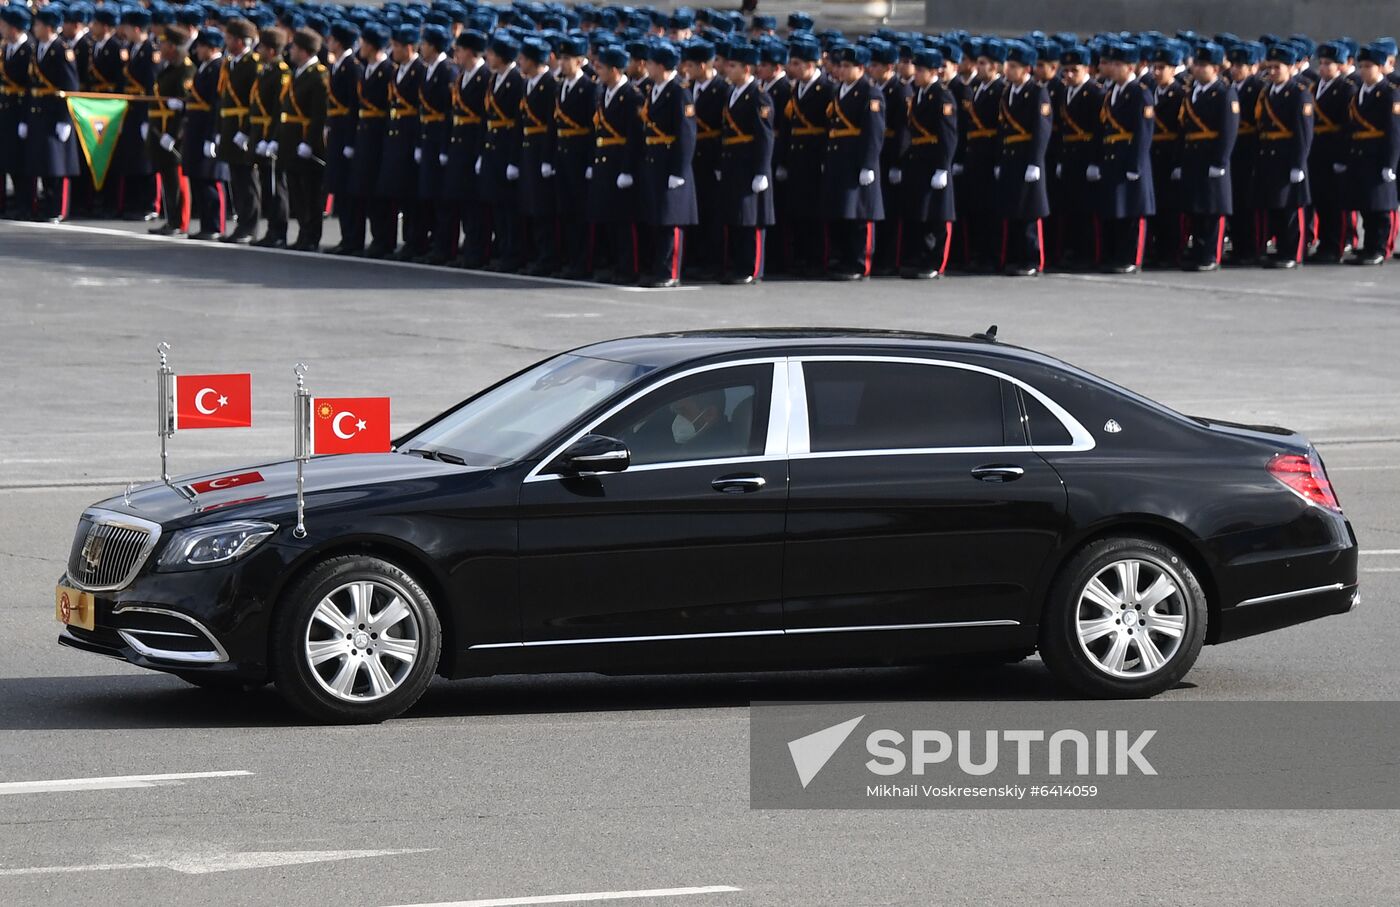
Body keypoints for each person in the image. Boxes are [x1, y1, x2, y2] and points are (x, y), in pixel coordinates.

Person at [1092, 41, 1155, 274]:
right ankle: (1116, 255)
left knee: (1133, 212)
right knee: (1116, 210)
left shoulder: (1140, 93)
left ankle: (1132, 258)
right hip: (1113, 158)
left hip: (1129, 158)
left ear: (1130, 67)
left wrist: (1136, 164)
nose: (1113, 68)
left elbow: (1143, 132)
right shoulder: (1112, 92)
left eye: (1119, 64)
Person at [822, 43, 884, 280]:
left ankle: (860, 263)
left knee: (860, 215)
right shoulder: (839, 90)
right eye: (841, 66)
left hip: (856, 160)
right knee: (842, 212)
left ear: (861, 68)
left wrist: (868, 164)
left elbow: (873, 132)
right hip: (839, 159)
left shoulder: (870, 93)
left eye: (848, 66)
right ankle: (843, 259)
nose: (842, 71)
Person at [895, 47, 957, 279]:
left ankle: (935, 262)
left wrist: (943, 167)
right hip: (918, 160)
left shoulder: (942, 96)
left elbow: (948, 135)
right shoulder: (918, 94)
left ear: (933, 72)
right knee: (920, 212)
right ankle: (920, 257)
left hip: (934, 161)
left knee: (936, 216)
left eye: (920, 70)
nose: (915, 73)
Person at [1252, 42, 1314, 268]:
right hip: (1270, 157)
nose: (1272, 71)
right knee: (1275, 207)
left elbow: (1303, 133)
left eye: (1278, 67)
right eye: (1270, 67)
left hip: (1288, 157)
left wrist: (1298, 164)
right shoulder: (1268, 91)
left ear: (1290, 68)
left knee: (1291, 209)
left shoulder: (1299, 94)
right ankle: (1280, 249)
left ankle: (1293, 253)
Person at [1179, 42, 1239, 271]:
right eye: (1196, 65)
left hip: (1212, 157)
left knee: (1213, 211)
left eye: (1203, 65)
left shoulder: (1224, 93)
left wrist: (1220, 160)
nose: (1197, 69)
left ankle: (1211, 255)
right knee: (1196, 208)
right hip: (1193, 157)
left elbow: (1228, 130)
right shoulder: (1192, 91)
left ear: (1216, 68)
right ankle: (1198, 251)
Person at [718, 41, 774, 285]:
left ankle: (752, 267)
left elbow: (764, 136)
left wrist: (761, 171)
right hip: (733, 163)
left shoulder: (759, 96)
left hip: (750, 164)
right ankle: (737, 264)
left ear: (747, 69)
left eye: (733, 66)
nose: (728, 70)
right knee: (736, 217)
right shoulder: (732, 93)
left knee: (751, 219)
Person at [996, 40, 1052, 276]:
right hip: (1011, 158)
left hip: (1027, 158)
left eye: (1014, 66)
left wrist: (1035, 161)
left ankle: (1032, 259)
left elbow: (1042, 129)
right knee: (1013, 210)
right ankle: (1015, 257)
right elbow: (1003, 129)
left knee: (1030, 213)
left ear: (1026, 69)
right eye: (1008, 65)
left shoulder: (1037, 92)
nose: (1008, 70)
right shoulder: (1008, 91)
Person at [777, 36, 830, 277]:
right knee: (797, 210)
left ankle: (816, 259)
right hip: (798, 158)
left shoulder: (827, 89)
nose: (792, 68)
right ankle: (799, 258)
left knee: (815, 213)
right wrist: (784, 160)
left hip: (815, 156)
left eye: (797, 63)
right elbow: (789, 127)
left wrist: (825, 160)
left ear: (811, 64)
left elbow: (831, 128)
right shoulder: (795, 88)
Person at [588, 44, 641, 282]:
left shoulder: (631, 96)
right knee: (608, 218)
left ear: (615, 70)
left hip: (620, 163)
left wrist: (628, 169)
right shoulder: (604, 92)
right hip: (604, 163)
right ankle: (614, 266)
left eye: (602, 68)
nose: (598, 72)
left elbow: (635, 135)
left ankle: (628, 268)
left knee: (624, 222)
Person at [1343, 43, 1400, 265]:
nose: (1364, 70)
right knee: (1366, 206)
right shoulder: (1359, 93)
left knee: (1380, 208)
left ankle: (1378, 249)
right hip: (1360, 156)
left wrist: (1390, 164)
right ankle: (1368, 247)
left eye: (1369, 66)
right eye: (1362, 66)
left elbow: (1394, 132)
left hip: (1378, 156)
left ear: (1380, 68)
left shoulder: (1389, 93)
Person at [25, 7, 80, 223]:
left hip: (56, 113)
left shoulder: (61, 49)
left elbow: (70, 86)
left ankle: (58, 208)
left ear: (48, 27)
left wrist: (65, 120)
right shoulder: (38, 47)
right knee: (44, 163)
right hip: (40, 112)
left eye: (38, 25)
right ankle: (46, 204)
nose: (34, 28)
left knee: (57, 166)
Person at [1054, 43, 1105, 268]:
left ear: (1087, 69)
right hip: (1069, 157)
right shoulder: (1065, 92)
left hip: (1086, 155)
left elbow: (1099, 130)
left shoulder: (1095, 93)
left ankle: (1088, 253)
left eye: (1075, 70)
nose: (1069, 75)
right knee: (1070, 207)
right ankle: (1072, 250)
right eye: (1066, 70)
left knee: (1087, 210)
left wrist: (1095, 161)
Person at [1307, 41, 1359, 263]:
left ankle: (1334, 246)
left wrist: (1342, 157)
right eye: (1322, 63)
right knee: (1318, 200)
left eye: (1329, 63)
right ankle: (1322, 245)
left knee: (1334, 205)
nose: (1324, 68)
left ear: (1340, 66)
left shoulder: (1347, 89)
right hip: (1315, 153)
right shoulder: (1313, 87)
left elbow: (1348, 126)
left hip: (1333, 151)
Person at [278, 28, 329, 251]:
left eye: (295, 48)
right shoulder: (297, 72)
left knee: (311, 192)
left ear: (305, 51)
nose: (291, 52)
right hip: (291, 141)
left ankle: (311, 236)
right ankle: (302, 232)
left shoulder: (319, 75)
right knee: (296, 191)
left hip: (307, 142)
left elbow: (319, 115)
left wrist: (309, 142)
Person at [552, 34, 597, 278]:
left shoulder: (589, 88)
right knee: (566, 212)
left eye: (567, 58)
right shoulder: (562, 87)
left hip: (580, 157)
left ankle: (582, 262)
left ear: (580, 61)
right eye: (561, 58)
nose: (562, 62)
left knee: (580, 214)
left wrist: (591, 162)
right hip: (563, 155)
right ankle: (570, 260)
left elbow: (593, 129)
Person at [478, 31, 524, 271]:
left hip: (507, 149)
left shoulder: (516, 81)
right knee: (497, 205)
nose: (488, 57)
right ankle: (502, 250)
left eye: (493, 53)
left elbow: (517, 123)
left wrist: (514, 160)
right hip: (493, 148)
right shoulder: (495, 78)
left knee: (509, 208)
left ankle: (512, 253)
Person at [445, 29, 491, 268]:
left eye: (460, 50)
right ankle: (466, 250)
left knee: (475, 206)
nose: (456, 54)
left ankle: (476, 252)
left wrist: (481, 152)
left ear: (471, 52)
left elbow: (485, 119)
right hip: (459, 146)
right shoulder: (462, 76)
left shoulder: (485, 77)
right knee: (461, 201)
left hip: (474, 146)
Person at [681, 39, 725, 279]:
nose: (687, 71)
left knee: (711, 212)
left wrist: (719, 163)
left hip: (711, 155)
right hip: (693, 158)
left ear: (703, 65)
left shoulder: (722, 89)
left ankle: (712, 261)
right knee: (694, 212)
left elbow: (727, 129)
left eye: (691, 66)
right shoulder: (688, 88)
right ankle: (694, 258)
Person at [381, 23, 425, 260]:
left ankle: (413, 240)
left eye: (397, 46)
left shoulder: (419, 70)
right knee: (394, 190)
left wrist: (418, 142)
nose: (393, 50)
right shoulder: (397, 69)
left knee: (410, 195)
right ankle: (394, 240)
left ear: (409, 47)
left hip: (409, 137)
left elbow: (421, 110)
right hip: (395, 136)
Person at [413, 25, 456, 264]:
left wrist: (443, 147)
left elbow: (449, 112)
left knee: (441, 198)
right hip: (427, 138)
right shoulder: (428, 69)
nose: (422, 47)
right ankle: (428, 243)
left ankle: (443, 246)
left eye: (425, 43)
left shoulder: (447, 70)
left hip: (440, 138)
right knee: (427, 194)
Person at [961, 38, 1005, 272]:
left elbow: (1003, 129)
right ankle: (978, 254)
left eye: (983, 63)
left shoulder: (1001, 90)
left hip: (989, 154)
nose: (978, 67)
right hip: (975, 154)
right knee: (976, 208)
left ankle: (992, 255)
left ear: (995, 67)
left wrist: (998, 160)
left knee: (991, 210)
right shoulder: (977, 88)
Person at [352, 22, 394, 258]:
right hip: (365, 136)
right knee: (365, 189)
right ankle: (371, 238)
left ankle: (383, 240)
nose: (361, 47)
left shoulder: (387, 70)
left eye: (363, 43)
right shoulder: (366, 68)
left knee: (380, 194)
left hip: (379, 137)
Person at [515, 36, 557, 274]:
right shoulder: (527, 83)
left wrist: (548, 158)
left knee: (543, 209)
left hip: (541, 148)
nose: (520, 62)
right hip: (528, 149)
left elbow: (552, 124)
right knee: (530, 206)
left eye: (523, 58)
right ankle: (533, 255)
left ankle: (546, 258)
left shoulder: (550, 85)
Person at [146, 25, 192, 236]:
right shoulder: (168, 68)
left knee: (176, 177)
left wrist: (174, 135)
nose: (160, 47)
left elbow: (185, 108)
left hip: (173, 133)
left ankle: (179, 221)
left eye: (163, 43)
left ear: (173, 46)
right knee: (167, 177)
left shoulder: (186, 70)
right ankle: (171, 218)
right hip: (160, 130)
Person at [217, 18, 260, 243]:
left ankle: (250, 227)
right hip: (229, 126)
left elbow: (255, 101)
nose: (226, 41)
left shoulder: (253, 64)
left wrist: (246, 130)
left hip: (243, 128)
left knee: (248, 180)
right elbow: (223, 99)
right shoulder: (231, 63)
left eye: (230, 38)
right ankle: (240, 224)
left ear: (241, 41)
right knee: (236, 179)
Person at [322, 21, 362, 255]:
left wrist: (349, 141)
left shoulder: (352, 67)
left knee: (347, 188)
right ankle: (346, 236)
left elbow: (354, 107)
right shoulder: (338, 65)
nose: (329, 42)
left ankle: (352, 238)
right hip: (336, 131)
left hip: (345, 133)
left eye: (332, 39)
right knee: (338, 184)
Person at [869, 40, 909, 275]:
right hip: (880, 154)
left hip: (892, 153)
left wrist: (898, 163)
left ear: (888, 67)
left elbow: (903, 130)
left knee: (892, 213)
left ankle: (890, 259)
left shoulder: (900, 90)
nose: (871, 69)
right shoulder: (879, 88)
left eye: (876, 65)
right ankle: (879, 255)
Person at [114, 8, 157, 221]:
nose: (125, 31)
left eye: (128, 28)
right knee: (131, 156)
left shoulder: (151, 51)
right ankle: (132, 202)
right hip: (129, 109)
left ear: (137, 29)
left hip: (142, 109)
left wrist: (148, 117)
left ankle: (148, 204)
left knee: (145, 159)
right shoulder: (130, 48)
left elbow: (151, 86)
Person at [1145, 42, 1186, 267]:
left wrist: (1179, 161)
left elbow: (1182, 131)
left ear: (1173, 69)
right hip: (1153, 156)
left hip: (1170, 155)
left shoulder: (1180, 94)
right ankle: (1157, 250)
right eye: (1155, 67)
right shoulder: (1151, 92)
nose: (1157, 72)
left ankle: (1172, 252)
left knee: (1171, 209)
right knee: (1156, 206)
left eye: (1162, 67)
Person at [248, 28, 290, 248]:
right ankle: (271, 230)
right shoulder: (266, 71)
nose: (259, 51)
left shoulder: (281, 73)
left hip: (271, 136)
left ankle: (279, 231)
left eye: (263, 47)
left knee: (276, 187)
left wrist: (272, 138)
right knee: (266, 184)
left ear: (272, 50)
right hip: (260, 134)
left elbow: (278, 109)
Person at [1226, 42, 1266, 263]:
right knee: (1237, 202)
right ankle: (1240, 246)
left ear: (1252, 67)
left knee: (1250, 204)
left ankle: (1253, 248)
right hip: (1235, 150)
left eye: (1240, 65)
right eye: (1233, 65)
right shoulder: (1230, 87)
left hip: (1250, 148)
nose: (1235, 69)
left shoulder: (1258, 87)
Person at [1, 5, 34, 219]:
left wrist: (25, 119)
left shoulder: (28, 49)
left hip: (20, 111)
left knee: (21, 162)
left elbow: (32, 86)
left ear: (14, 27)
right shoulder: (7, 48)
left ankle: (25, 204)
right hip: (5, 111)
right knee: (5, 159)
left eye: (3, 24)